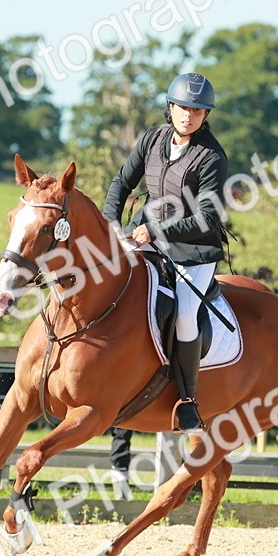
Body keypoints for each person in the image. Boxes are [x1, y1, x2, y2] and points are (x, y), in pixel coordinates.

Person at [102, 72, 228, 431]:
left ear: (205, 116)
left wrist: (154, 231)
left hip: (193, 250)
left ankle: (188, 401)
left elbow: (207, 218)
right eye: (183, 108)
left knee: (186, 315)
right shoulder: (152, 139)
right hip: (145, 237)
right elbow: (121, 182)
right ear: (170, 107)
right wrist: (112, 221)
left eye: (198, 111)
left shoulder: (212, 157)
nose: (189, 115)